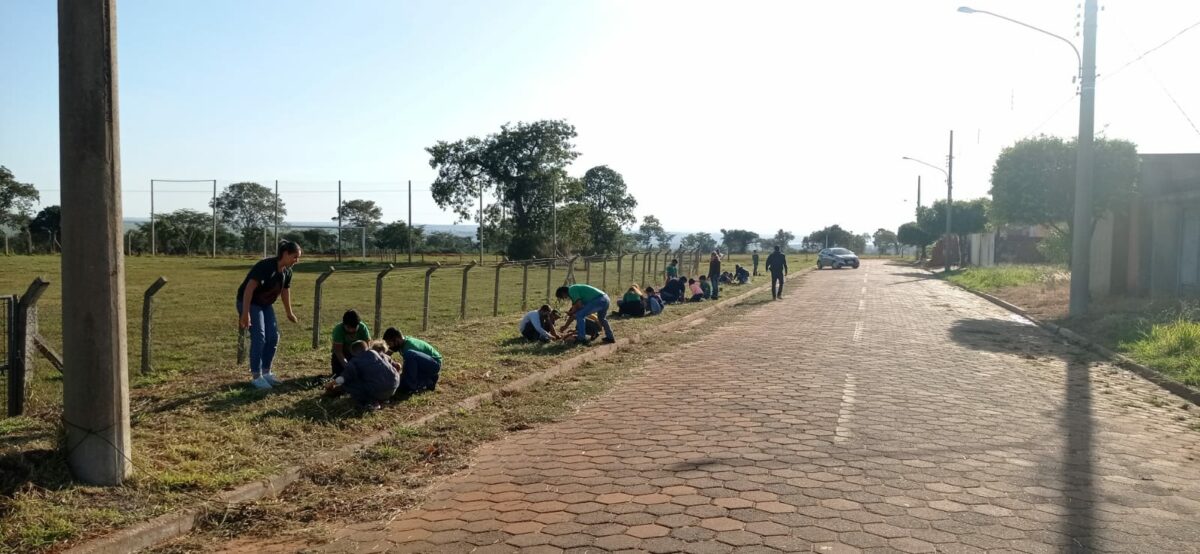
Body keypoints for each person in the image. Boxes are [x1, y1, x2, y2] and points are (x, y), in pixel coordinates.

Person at [236, 240, 302, 390]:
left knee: (273, 337)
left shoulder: (287, 272)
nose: (297, 261)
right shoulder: (265, 266)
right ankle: (256, 376)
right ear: (285, 254)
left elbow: (285, 291)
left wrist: (289, 312)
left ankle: (266, 372)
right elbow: (249, 289)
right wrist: (245, 314)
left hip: (265, 305)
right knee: (260, 337)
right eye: (295, 257)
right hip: (249, 303)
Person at [323, 340, 400, 410]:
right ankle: (384, 399)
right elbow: (396, 365)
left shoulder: (355, 361)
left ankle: (370, 403)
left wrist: (331, 384)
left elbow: (343, 379)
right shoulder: (379, 354)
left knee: (348, 384)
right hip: (394, 386)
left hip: (378, 390)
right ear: (367, 347)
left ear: (353, 353)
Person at [383, 327, 442, 393]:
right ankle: (429, 379)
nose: (389, 346)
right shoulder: (402, 342)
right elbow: (387, 354)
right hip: (426, 363)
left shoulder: (409, 347)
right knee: (403, 379)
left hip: (434, 364)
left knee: (409, 356)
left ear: (396, 340)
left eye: (390, 344)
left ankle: (412, 387)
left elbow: (409, 367)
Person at [331, 309, 371, 376]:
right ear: (344, 324)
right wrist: (347, 366)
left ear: (358, 324)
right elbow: (338, 351)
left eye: (354, 327)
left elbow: (368, 348)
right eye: (348, 327)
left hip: (359, 354)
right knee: (339, 375)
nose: (351, 330)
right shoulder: (338, 330)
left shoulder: (363, 327)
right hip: (343, 355)